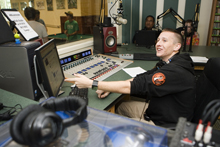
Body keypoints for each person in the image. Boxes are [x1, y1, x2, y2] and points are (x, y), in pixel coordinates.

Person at [65, 28, 196, 126]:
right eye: (158, 40)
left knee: (109, 123)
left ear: (177, 47)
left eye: (165, 40)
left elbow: (134, 86)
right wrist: (110, 88)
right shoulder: (168, 62)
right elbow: (142, 78)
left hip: (166, 124)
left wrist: (92, 83)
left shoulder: (175, 71)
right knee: (121, 107)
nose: (158, 43)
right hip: (158, 110)